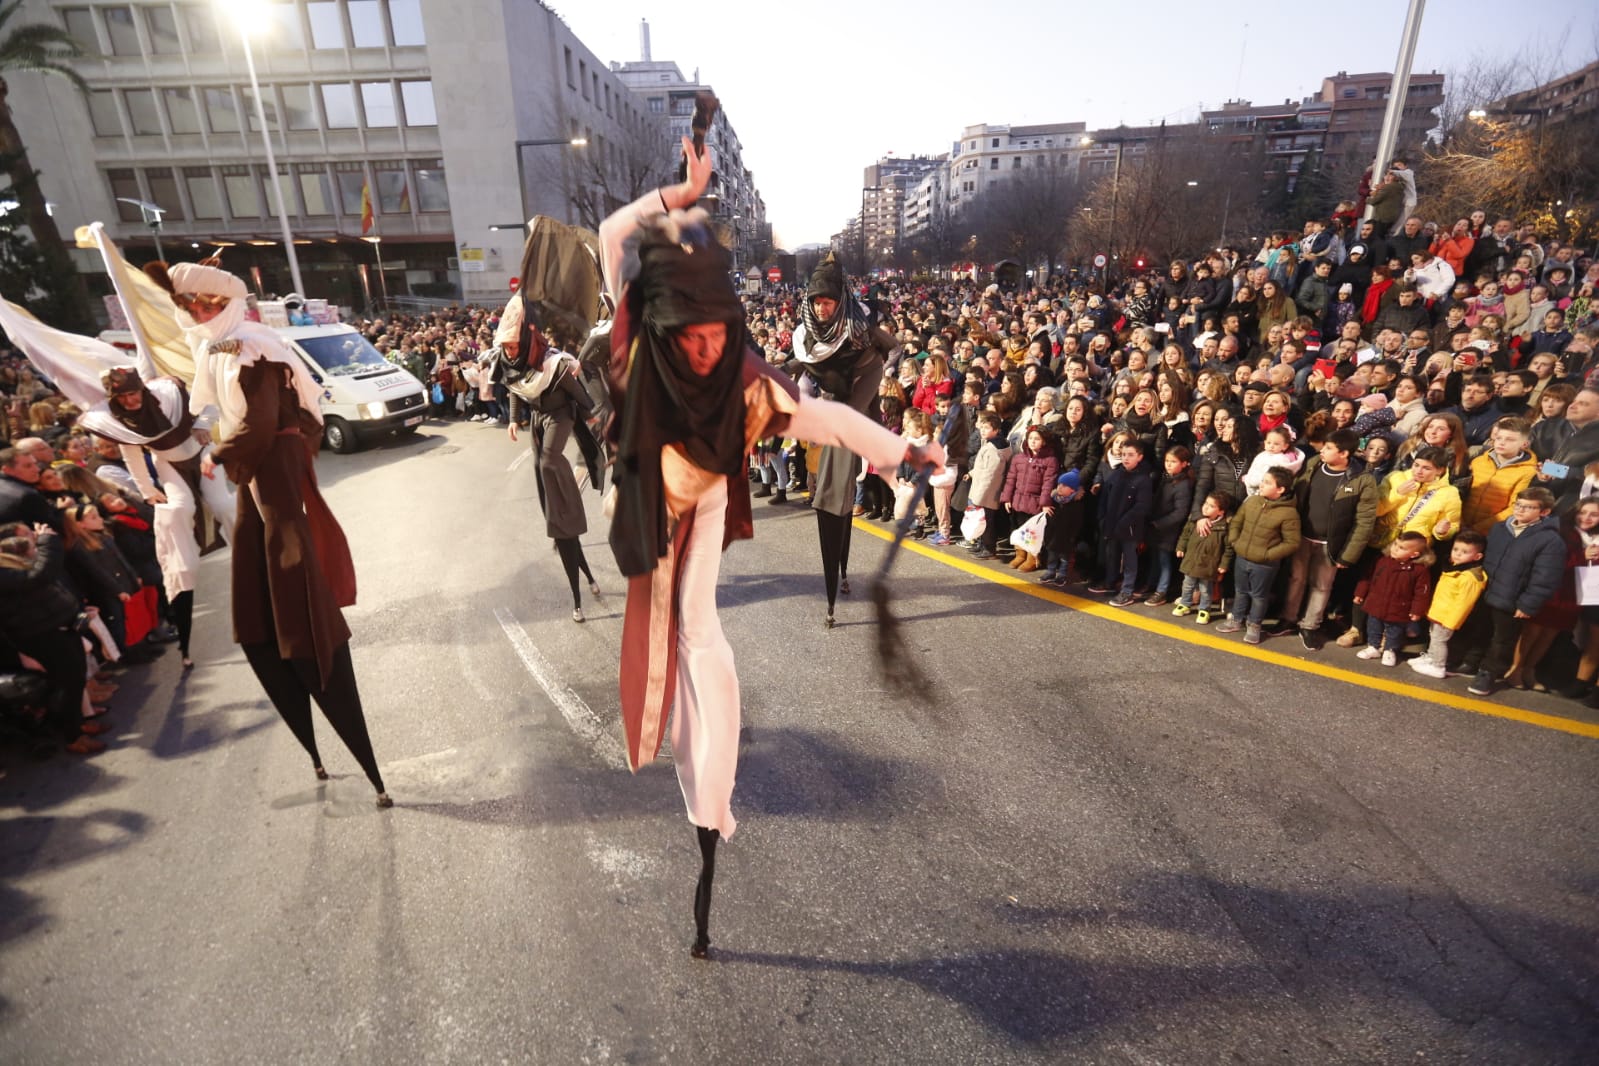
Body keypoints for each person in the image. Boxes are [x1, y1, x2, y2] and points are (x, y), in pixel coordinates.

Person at [597, 136, 943, 958]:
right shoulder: (637, 342)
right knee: (661, 633)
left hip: (706, 498)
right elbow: (613, 237)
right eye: (695, 332)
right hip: (646, 498)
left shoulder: (746, 381)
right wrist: (676, 193)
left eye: (722, 331)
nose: (710, 344)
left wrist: (902, 453)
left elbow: (824, 420)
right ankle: (698, 775)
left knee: (700, 635)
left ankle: (711, 796)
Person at [166, 259, 392, 807]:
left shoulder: (248, 343)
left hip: (272, 455)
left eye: (205, 303)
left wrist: (220, 452)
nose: (196, 313)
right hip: (265, 458)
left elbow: (262, 421)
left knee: (286, 548)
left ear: (226, 303)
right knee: (256, 550)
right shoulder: (226, 345)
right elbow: (225, 411)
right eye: (189, 305)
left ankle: (304, 624)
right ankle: (273, 615)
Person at [791, 252, 898, 626]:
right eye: (817, 301)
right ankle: (839, 573)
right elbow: (802, 372)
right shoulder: (805, 333)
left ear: (840, 302)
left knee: (834, 498)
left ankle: (834, 594)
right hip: (827, 410)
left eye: (828, 301)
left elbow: (884, 356)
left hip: (857, 406)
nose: (822, 307)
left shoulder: (861, 331)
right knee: (829, 495)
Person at [495, 309, 604, 623]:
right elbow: (515, 390)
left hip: (560, 414)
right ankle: (556, 514)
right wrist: (514, 420)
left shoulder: (551, 362)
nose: (509, 351)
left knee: (549, 459)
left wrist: (590, 412)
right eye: (506, 347)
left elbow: (575, 389)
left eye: (514, 346)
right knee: (540, 468)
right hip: (539, 419)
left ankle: (568, 504)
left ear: (527, 342)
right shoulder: (509, 363)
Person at [0, 522, 113, 754]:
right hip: (40, 633)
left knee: (76, 678)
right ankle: (72, 736)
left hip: (56, 625)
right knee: (68, 683)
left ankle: (78, 723)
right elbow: (38, 576)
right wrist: (46, 541)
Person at [1279, 430, 1378, 650]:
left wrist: (1348, 554)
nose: (1322, 451)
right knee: (1296, 579)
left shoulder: (1362, 480)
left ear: (1344, 454)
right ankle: (1288, 618)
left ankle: (1310, 626)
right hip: (1303, 536)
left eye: (1329, 448)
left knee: (1322, 586)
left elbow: (1364, 522)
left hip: (1331, 545)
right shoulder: (1314, 464)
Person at [1462, 487, 1566, 697]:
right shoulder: (1501, 528)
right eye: (1518, 505)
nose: (1520, 510)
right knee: (1481, 629)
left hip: (1513, 597)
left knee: (1502, 639)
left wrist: (1528, 604)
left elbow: (1545, 578)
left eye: (1528, 507)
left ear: (1544, 512)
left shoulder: (1550, 541)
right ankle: (1470, 662)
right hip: (1488, 590)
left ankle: (1489, 673)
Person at [1217, 467, 1302, 644]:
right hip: (1242, 556)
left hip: (1265, 564)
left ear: (1280, 489)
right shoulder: (1253, 501)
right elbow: (1236, 522)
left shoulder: (1288, 513)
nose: (1261, 484)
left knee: (1259, 596)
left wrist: (1267, 555)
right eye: (1263, 480)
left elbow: (1292, 542)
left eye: (1267, 482)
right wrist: (1235, 541)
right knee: (1240, 590)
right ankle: (1236, 619)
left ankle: (1254, 625)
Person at [1353, 532, 1433, 667]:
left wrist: (1417, 611)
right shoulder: (1382, 561)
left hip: (1400, 607)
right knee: (1373, 626)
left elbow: (1422, 593)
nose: (1395, 549)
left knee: (1394, 631)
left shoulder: (1419, 570)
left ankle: (1390, 650)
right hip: (1376, 603)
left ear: (1415, 554)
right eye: (1395, 544)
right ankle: (1373, 646)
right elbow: (1369, 577)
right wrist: (1360, 593)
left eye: (1402, 548)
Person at [1094, 440, 1152, 606]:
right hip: (1112, 524)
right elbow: (1106, 496)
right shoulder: (1117, 473)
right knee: (1112, 555)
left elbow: (1142, 506)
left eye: (1131, 455)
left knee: (1129, 561)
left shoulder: (1143, 479)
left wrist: (1124, 521)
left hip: (1130, 528)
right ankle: (1110, 582)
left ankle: (1127, 591)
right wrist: (1102, 517)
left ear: (1139, 457)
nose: (1126, 458)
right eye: (1124, 454)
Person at [1173, 492, 1232, 624]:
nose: (1205, 507)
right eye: (1205, 503)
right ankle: (1185, 603)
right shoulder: (1194, 521)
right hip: (1191, 561)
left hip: (1208, 565)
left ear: (1221, 512)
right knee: (1187, 585)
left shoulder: (1223, 528)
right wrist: (1180, 547)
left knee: (1205, 589)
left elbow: (1228, 549)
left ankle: (1204, 609)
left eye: (1211, 506)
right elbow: (1185, 534)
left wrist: (1224, 564)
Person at [966, 411, 1012, 561]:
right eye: (982, 427)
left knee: (987, 521)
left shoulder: (993, 448)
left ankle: (989, 548)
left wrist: (979, 495)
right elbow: (982, 467)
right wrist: (972, 473)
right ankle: (982, 544)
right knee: (983, 519)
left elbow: (989, 474)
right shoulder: (992, 444)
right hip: (986, 490)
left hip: (987, 491)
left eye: (987, 428)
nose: (982, 430)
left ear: (996, 430)